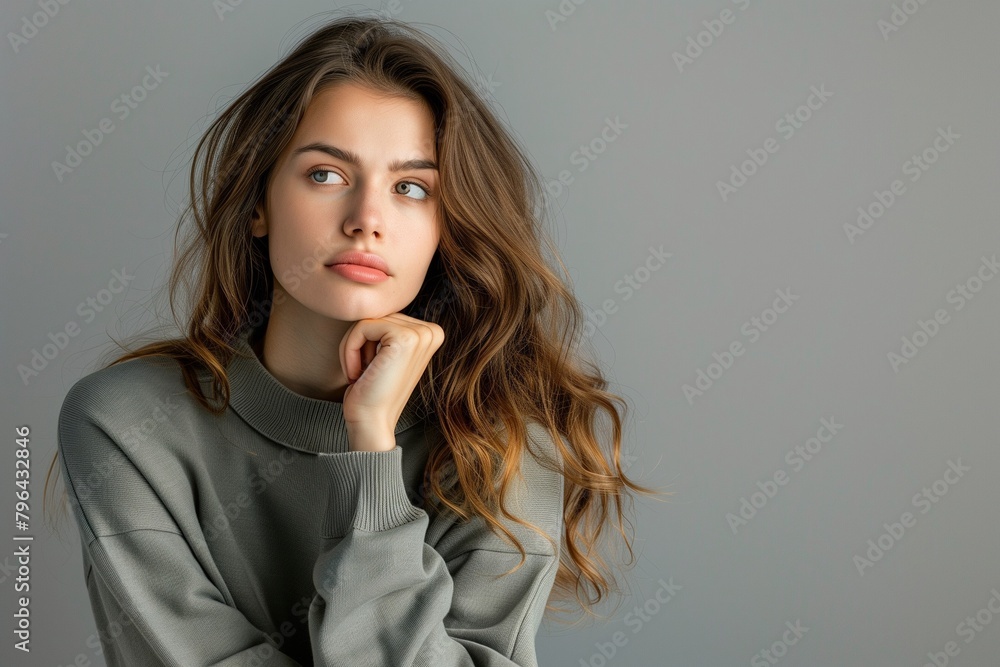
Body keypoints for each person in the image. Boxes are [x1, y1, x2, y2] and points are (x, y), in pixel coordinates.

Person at [43, 12, 665, 666]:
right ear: (258, 203)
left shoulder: (502, 445)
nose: (367, 219)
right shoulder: (127, 423)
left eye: (411, 187)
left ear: (444, 229)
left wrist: (370, 445)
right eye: (326, 175)